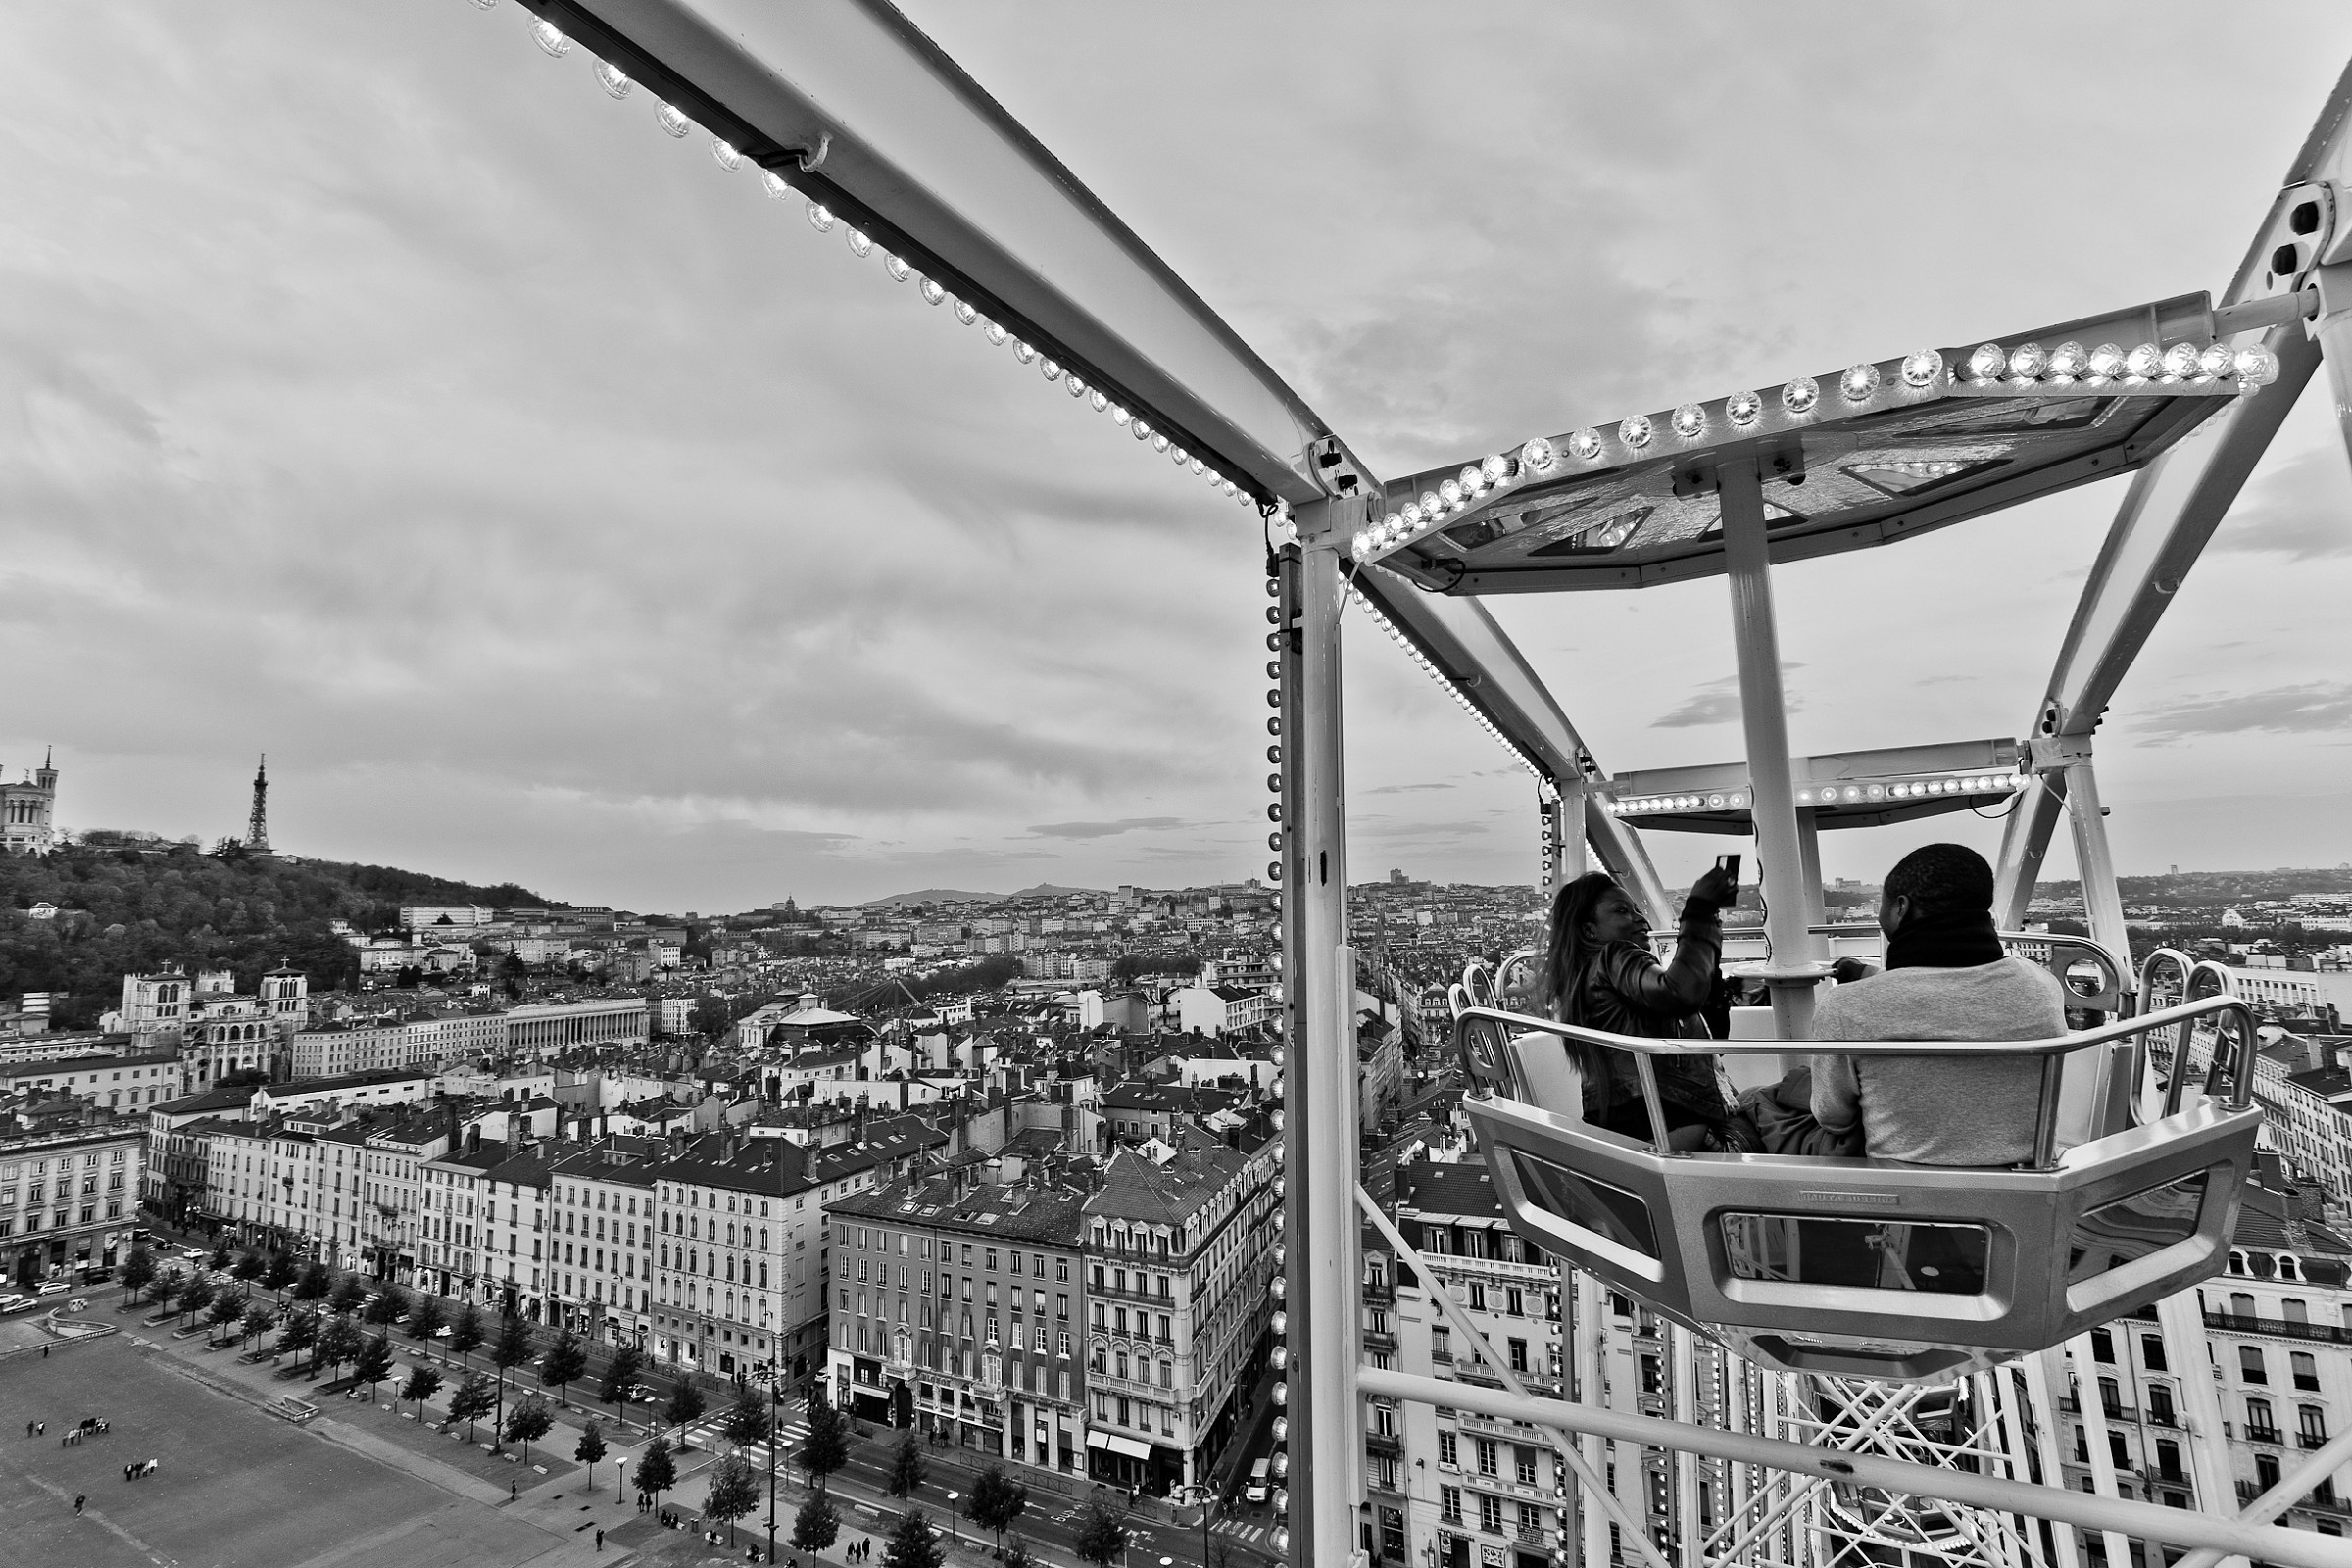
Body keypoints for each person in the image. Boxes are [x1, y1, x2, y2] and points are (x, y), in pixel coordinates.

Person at [1809, 844, 2066, 1166]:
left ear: (1901, 907)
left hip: (1908, 1198)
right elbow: (1955, 996)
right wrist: (1870, 976)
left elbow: (1833, 1118)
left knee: (1771, 1103)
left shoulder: (1845, 1008)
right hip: (2028, 1186)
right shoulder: (2042, 986)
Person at [1539, 866, 1756, 1151]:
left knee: (1767, 1100)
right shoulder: (1614, 955)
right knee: (1783, 1098)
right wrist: (1700, 911)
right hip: (1674, 1127)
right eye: (1622, 911)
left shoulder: (1585, 982)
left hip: (1634, 1127)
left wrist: (1708, 973)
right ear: (1589, 929)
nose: (1640, 919)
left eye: (1637, 909)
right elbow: (1681, 994)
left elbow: (1707, 1040)